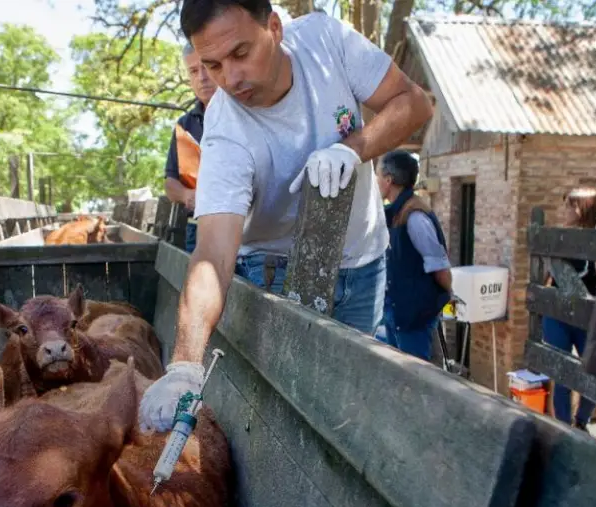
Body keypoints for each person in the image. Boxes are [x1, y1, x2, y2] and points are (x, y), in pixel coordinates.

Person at [138, 0, 434, 431]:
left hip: (364, 261)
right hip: (272, 273)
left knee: (351, 412)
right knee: (287, 421)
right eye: (213, 65)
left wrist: (352, 149)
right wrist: (184, 365)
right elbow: (214, 255)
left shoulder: (326, 42)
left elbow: (415, 102)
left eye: (241, 54)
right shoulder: (225, 130)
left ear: (274, 27)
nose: (230, 79)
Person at [375, 150, 452, 362]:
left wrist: (444, 295)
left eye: (378, 176)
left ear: (389, 180)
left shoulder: (415, 216)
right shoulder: (396, 211)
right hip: (397, 314)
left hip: (414, 317)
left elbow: (440, 267)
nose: (376, 181)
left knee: (417, 378)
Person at [542, 188, 596, 430]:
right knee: (562, 372)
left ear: (581, 210)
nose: (563, 211)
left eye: (568, 206)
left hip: (587, 316)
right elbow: (546, 277)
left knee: (594, 370)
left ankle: (581, 422)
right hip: (559, 314)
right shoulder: (559, 238)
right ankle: (562, 425)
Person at [164, 43, 218, 253]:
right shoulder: (184, 125)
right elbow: (170, 183)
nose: (202, 77)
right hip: (196, 230)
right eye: (194, 71)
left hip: (245, 231)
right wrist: (188, 195)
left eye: (207, 67)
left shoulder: (244, 111)